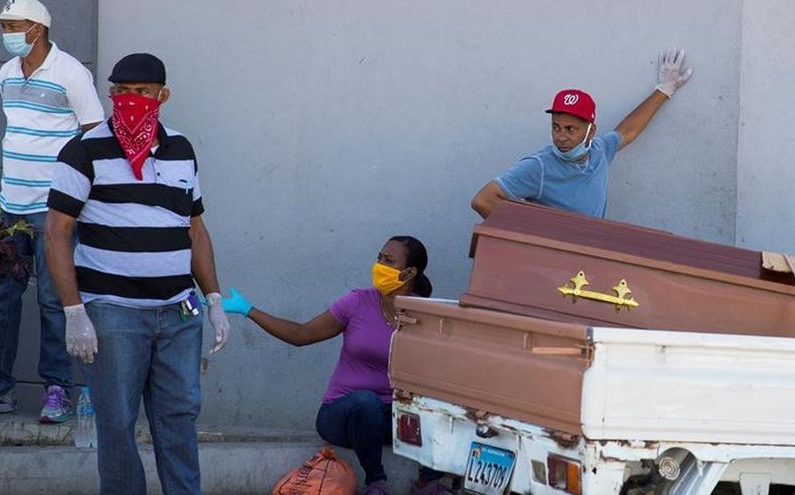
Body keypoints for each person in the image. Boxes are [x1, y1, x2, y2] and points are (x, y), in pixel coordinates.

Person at [44, 53, 230, 495]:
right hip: (113, 315)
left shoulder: (181, 149)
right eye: (122, 91)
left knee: (180, 418)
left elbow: (196, 229)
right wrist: (74, 312)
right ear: (110, 94)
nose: (131, 100)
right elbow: (56, 231)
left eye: (143, 92)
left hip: (178, 314)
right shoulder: (84, 150)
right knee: (117, 423)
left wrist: (215, 300)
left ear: (162, 96)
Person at [0, 0, 105, 423]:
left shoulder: (72, 74)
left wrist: (75, 197)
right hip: (10, 208)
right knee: (3, 300)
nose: (4, 31)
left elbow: (94, 134)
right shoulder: (6, 73)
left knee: (51, 298)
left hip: (53, 212)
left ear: (36, 29)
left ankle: (58, 389)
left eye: (12, 24)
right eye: (3, 24)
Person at [222, 236, 454, 495]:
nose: (379, 265)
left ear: (409, 273)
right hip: (342, 415)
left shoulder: (424, 316)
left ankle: (427, 484)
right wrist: (248, 309)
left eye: (388, 261)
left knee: (441, 406)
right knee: (366, 402)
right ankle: (376, 483)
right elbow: (301, 334)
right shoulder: (357, 302)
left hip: (392, 419)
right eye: (379, 257)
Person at [471, 47, 693, 219]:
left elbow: (628, 130)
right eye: (555, 127)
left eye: (570, 129)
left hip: (588, 257)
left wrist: (665, 89)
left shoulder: (600, 151)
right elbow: (483, 200)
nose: (561, 137)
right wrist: (537, 237)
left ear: (590, 131)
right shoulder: (539, 166)